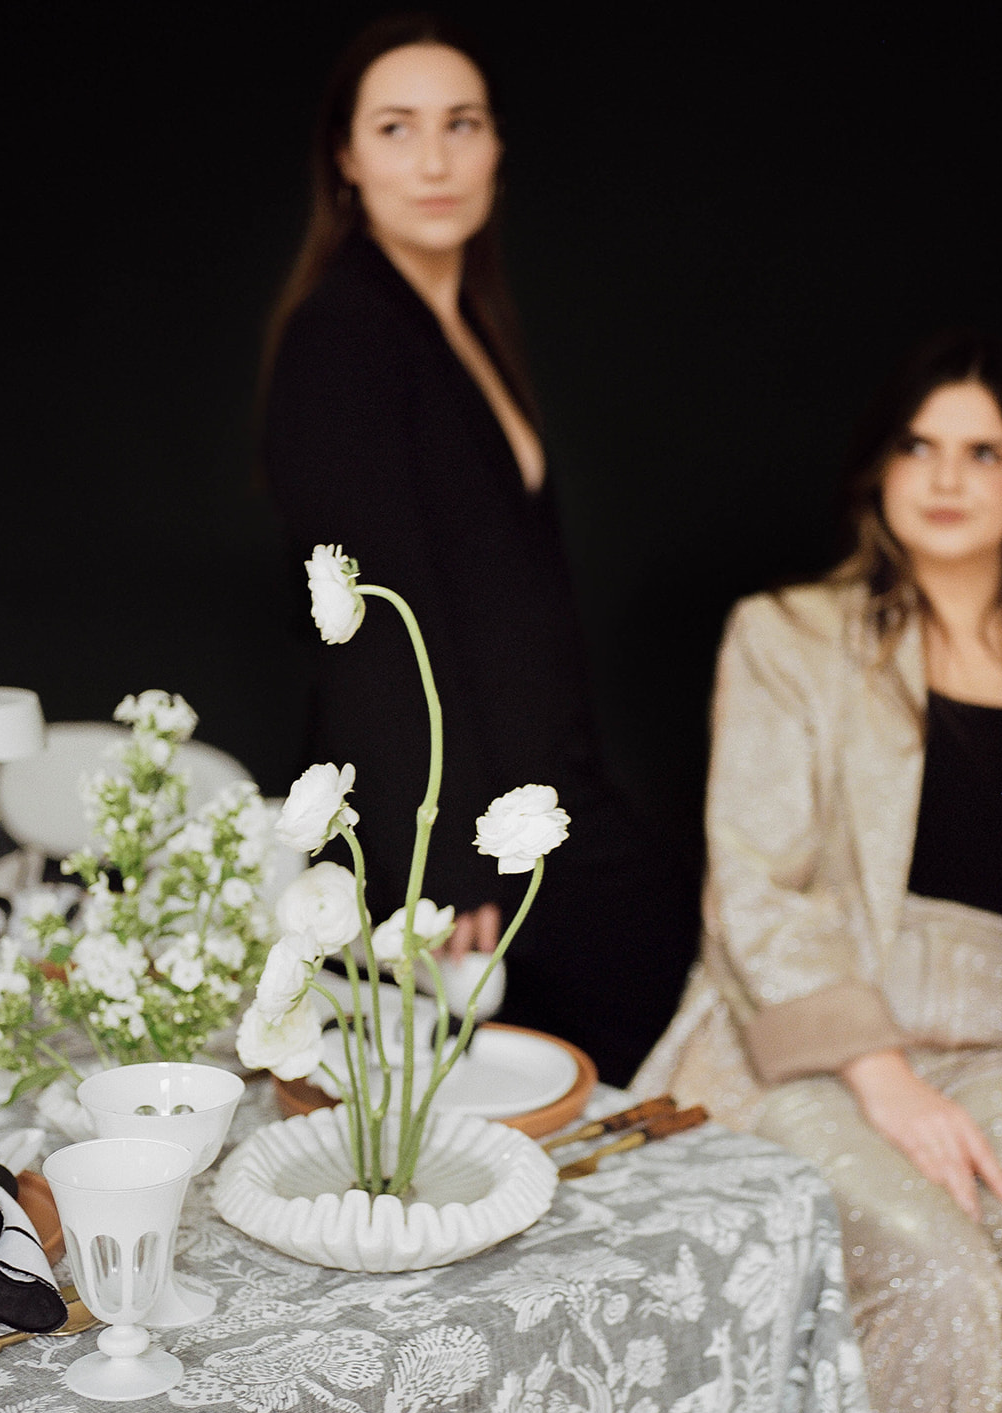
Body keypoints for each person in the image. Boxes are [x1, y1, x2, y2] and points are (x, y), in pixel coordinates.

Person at [631, 329, 1002, 1413]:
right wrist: (884, 1073)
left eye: (983, 451)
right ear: (878, 470)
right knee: (941, 1265)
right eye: (919, 445)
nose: (947, 477)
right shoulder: (790, 636)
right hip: (814, 1034)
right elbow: (752, 883)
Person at [261, 14, 696, 1085]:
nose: (437, 158)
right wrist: (439, 866)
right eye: (398, 128)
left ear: (498, 144)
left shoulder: (460, 322)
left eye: (463, 124)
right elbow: (370, 619)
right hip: (457, 818)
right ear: (348, 159)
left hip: (544, 784)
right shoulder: (343, 335)